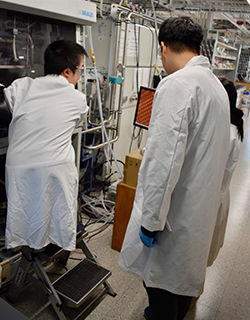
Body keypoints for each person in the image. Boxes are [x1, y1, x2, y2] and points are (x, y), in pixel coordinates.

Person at [118, 16, 231, 320]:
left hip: (172, 216)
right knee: (180, 284)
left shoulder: (177, 84)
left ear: (164, 48)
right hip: (198, 211)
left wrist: (150, 220)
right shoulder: (217, 88)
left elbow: (162, 164)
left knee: (161, 284)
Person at [4, 40, 88, 251]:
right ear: (67, 71)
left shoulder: (22, 86)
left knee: (24, 209)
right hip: (55, 169)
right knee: (57, 210)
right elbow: (77, 123)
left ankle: (24, 241)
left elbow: (7, 102)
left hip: (18, 168)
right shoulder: (77, 98)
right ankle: (54, 242)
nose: (80, 77)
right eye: (80, 71)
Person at [207, 78, 244, 266]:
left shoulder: (224, 132)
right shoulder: (234, 127)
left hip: (211, 201)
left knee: (198, 258)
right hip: (220, 197)